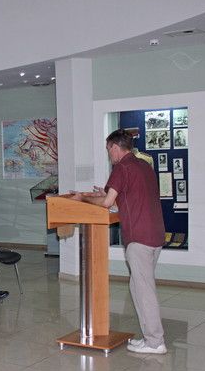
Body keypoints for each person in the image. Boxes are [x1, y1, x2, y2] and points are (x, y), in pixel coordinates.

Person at [71, 129, 166, 354]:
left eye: (108, 150)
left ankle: (155, 342)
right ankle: (149, 338)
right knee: (137, 286)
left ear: (115, 147)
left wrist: (82, 198)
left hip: (139, 238)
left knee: (144, 291)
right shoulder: (143, 165)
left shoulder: (122, 168)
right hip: (155, 234)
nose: (109, 154)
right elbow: (123, 198)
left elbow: (107, 203)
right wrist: (103, 194)